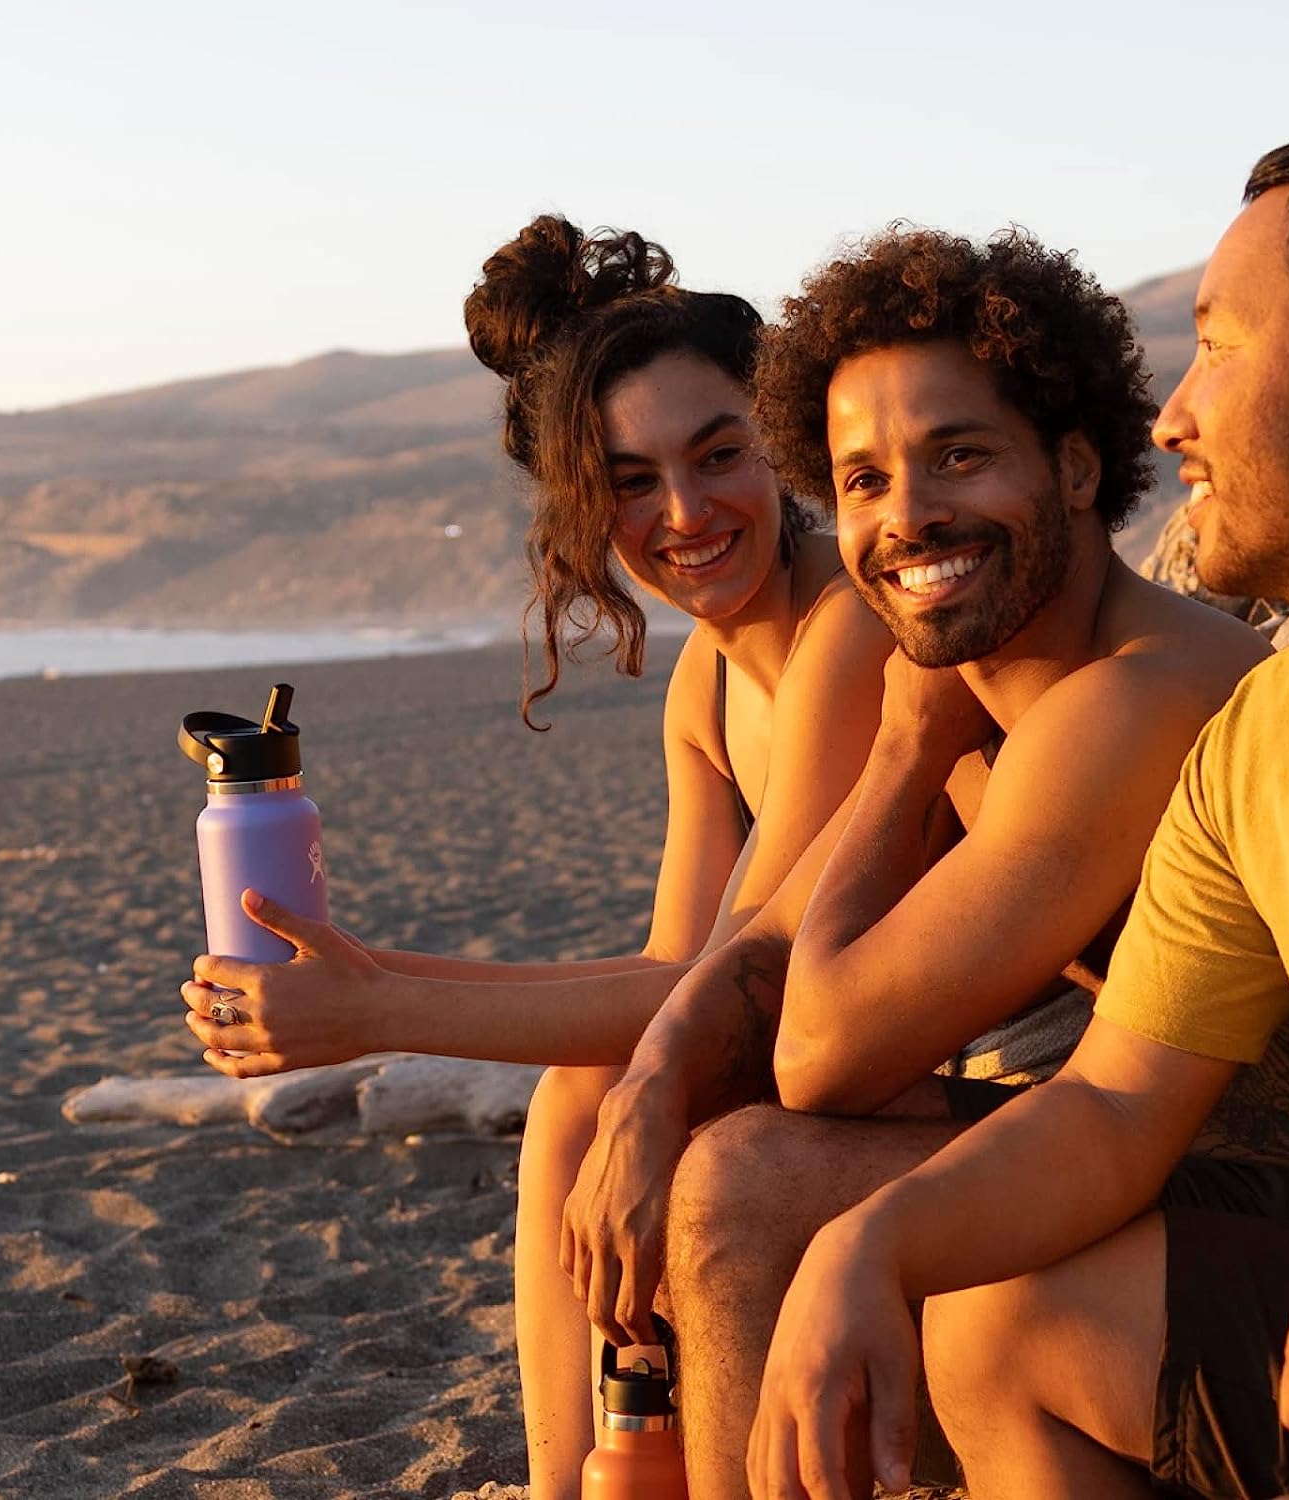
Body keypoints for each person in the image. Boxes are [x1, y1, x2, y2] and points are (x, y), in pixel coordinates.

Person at [560, 226, 1289, 1500]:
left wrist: (903, 748)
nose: (908, 516)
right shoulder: (991, 677)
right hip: (1173, 1158)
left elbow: (823, 1043)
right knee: (716, 1134)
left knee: (746, 1178)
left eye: (957, 456)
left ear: (1072, 466)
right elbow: (773, 944)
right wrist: (654, 1075)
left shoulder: (1135, 696)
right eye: (865, 480)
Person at [748, 117, 1289, 1500]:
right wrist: (876, 1245)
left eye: (1221, 344)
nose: (1173, 413)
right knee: (999, 1319)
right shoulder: (1268, 740)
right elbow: (1113, 1104)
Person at [178, 215, 893, 1500]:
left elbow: (737, 985)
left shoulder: (850, 629)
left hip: (948, 1075)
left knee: (586, 1095)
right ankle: (566, 1477)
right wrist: (347, 977)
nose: (682, 512)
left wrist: (376, 1011)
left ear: (781, 441)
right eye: (628, 480)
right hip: (824, 1061)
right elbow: (675, 972)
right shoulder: (706, 691)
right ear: (582, 503)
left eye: (718, 454)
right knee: (580, 1088)